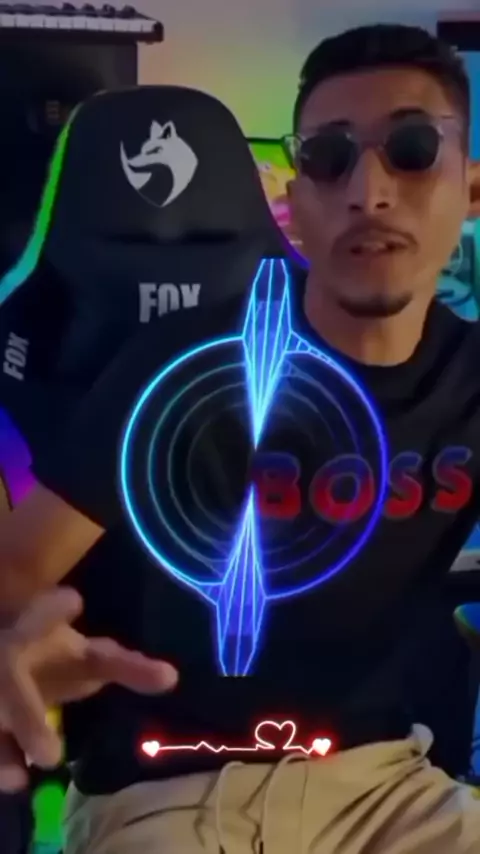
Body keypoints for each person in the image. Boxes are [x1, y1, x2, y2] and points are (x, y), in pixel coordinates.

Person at [1, 21, 480, 854]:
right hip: (168, 793)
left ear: (470, 190)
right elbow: (16, 568)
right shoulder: (180, 368)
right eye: (330, 157)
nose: (369, 190)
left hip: (385, 788)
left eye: (411, 149)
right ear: (296, 206)